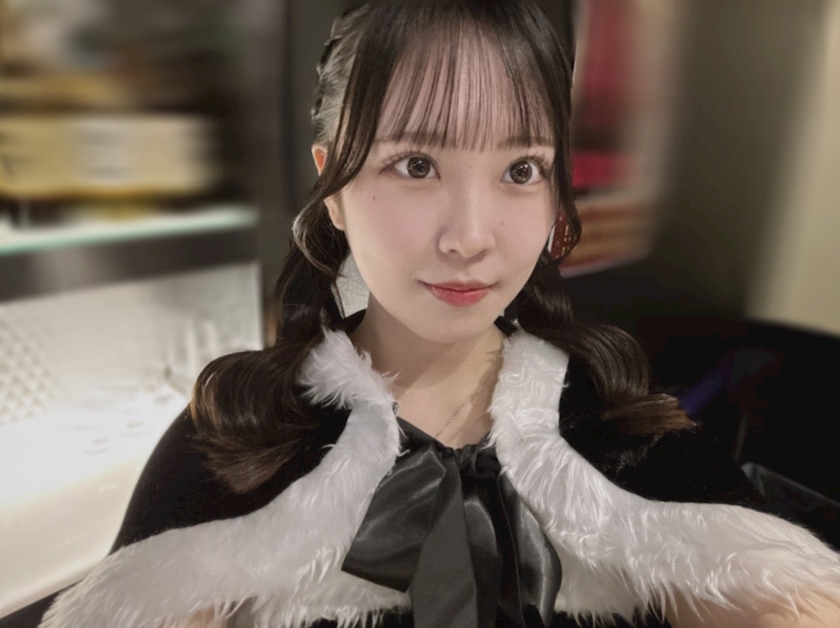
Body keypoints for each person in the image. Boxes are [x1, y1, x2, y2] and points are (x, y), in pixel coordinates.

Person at [39, 1, 840, 627]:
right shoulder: (235, 445)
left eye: (520, 170)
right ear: (333, 188)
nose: (470, 238)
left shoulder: (619, 429)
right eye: (416, 164)